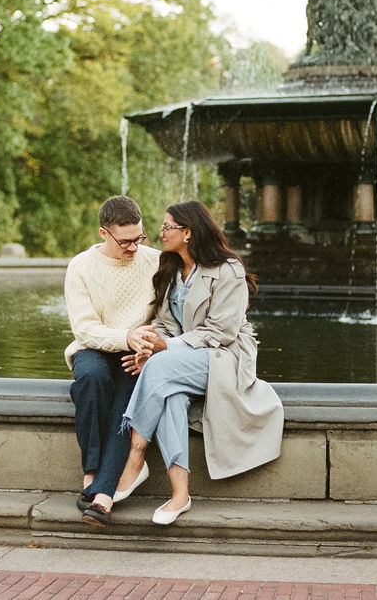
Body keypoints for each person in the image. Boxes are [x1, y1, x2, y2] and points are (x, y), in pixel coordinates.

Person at [115, 201, 284, 525]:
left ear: (188, 232)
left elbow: (222, 331)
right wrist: (151, 346)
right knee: (170, 395)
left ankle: (135, 455)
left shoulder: (228, 270)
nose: (161, 233)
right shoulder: (171, 269)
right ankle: (180, 494)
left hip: (225, 357)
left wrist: (168, 349)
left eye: (168, 227)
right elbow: (165, 324)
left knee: (160, 369)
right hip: (185, 358)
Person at [64, 195, 160, 528]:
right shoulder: (81, 266)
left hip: (137, 353)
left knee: (127, 402)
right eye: (126, 241)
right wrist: (125, 337)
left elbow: (168, 318)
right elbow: (85, 328)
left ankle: (101, 498)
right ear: (104, 233)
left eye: (139, 238)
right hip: (93, 346)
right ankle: (92, 473)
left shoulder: (157, 262)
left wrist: (149, 348)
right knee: (91, 379)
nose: (134, 247)